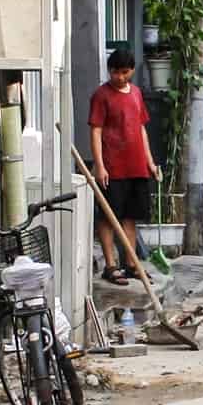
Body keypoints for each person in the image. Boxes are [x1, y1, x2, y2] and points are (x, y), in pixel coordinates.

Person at [89, 48, 156, 284]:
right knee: (108, 217)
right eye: (115, 72)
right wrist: (99, 165)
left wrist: (149, 161)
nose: (120, 77)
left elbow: (141, 128)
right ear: (110, 71)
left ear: (132, 71)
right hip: (112, 166)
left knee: (130, 217)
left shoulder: (136, 93)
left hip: (136, 165)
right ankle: (110, 264)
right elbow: (96, 130)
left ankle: (131, 263)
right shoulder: (101, 95)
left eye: (125, 72)